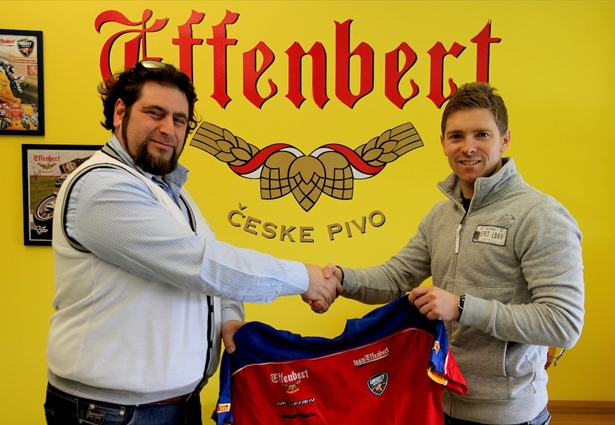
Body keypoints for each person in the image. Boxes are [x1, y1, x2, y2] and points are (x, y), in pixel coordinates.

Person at [44, 60, 340, 425]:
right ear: (120, 112)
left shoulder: (171, 192)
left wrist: (229, 320)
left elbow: (213, 277)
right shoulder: (101, 186)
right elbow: (201, 264)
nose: (168, 129)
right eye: (155, 113)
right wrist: (305, 278)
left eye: (180, 119)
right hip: (111, 413)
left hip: (176, 405)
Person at [324, 82, 585, 425]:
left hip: (509, 417)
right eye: (456, 136)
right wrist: (339, 279)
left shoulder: (540, 216)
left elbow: (563, 324)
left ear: (505, 139)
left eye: (482, 135)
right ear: (443, 142)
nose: (468, 147)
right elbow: (394, 277)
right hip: (440, 403)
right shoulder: (440, 216)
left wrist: (462, 307)